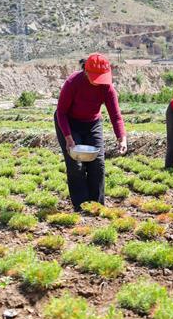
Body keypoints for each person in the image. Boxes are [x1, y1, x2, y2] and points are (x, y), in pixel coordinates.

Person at [54, 53, 128, 210]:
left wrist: (122, 138)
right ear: (86, 71)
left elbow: (115, 115)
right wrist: (68, 138)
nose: (99, 81)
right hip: (69, 123)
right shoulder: (73, 82)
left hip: (92, 123)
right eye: (96, 77)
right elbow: (61, 112)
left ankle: (96, 205)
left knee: (98, 163)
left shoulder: (107, 87)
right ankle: (81, 205)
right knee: (75, 164)